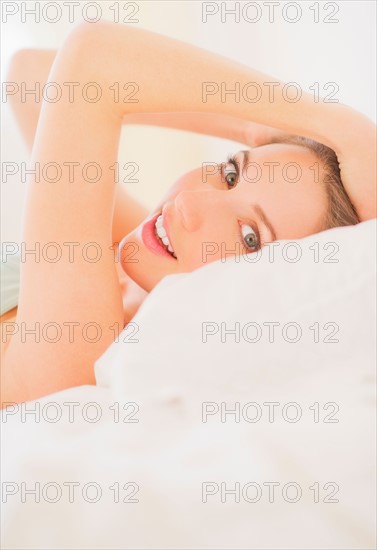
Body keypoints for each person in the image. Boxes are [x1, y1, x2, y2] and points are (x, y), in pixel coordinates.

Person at [1, 21, 375, 406]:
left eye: (250, 237)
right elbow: (30, 79)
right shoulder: (131, 260)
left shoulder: (79, 340)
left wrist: (348, 129)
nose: (189, 204)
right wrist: (258, 128)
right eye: (231, 174)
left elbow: (89, 63)